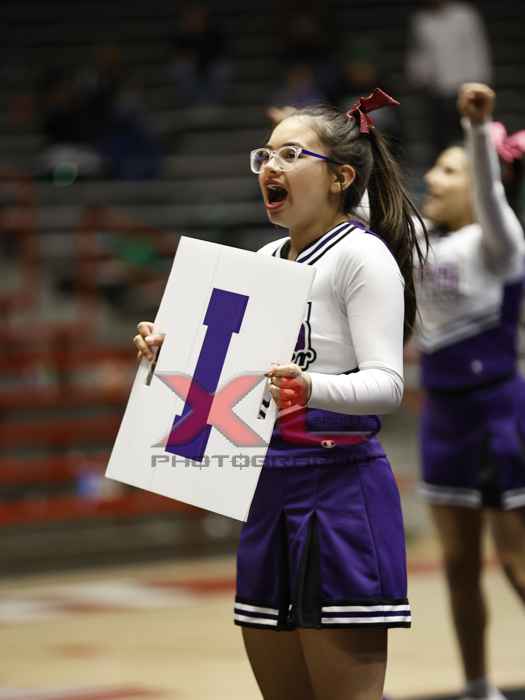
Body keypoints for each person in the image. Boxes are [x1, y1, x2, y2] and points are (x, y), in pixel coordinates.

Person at [134, 88, 428, 699]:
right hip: (266, 487)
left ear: (341, 178)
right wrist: (168, 354)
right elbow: (225, 380)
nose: (270, 165)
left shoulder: (361, 257)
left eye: (291, 154)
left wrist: (310, 385)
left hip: (339, 487)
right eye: (265, 155)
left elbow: (388, 384)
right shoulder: (265, 257)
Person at [414, 83, 525, 700]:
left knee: (515, 559)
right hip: (443, 418)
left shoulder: (499, 243)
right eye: (436, 167)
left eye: (449, 170)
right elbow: (366, 209)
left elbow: (491, 192)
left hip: (499, 413)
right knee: (458, 565)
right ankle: (479, 687)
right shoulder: (419, 243)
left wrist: (478, 132)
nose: (433, 177)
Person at [406, 0, 492, 159]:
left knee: (470, 134)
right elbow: (420, 52)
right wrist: (417, 77)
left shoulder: (465, 15)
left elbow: (477, 49)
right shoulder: (421, 20)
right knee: (440, 139)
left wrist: (480, 82)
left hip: (465, 87)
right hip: (437, 89)